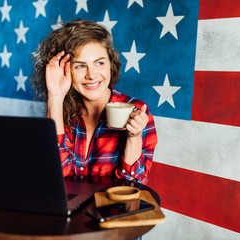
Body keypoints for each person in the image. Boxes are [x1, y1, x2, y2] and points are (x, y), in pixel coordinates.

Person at [31, 19, 157, 185]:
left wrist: (133, 137)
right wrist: (55, 96)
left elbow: (133, 185)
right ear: (65, 70)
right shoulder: (64, 110)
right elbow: (55, 172)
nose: (92, 75)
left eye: (99, 63)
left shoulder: (138, 111)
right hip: (71, 208)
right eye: (80, 66)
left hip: (112, 209)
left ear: (110, 64)